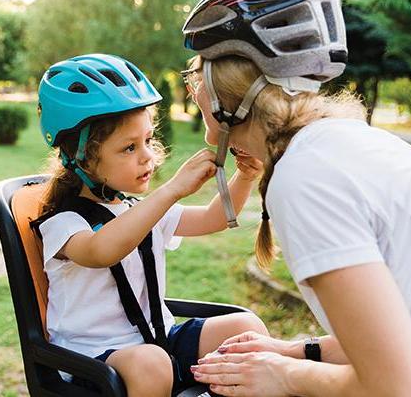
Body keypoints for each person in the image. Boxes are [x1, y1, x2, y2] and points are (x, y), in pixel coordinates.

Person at [181, 0, 411, 396]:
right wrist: (296, 351)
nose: (193, 89)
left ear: (222, 94)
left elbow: (402, 389)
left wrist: (282, 375)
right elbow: (408, 327)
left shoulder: (305, 179)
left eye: (197, 76)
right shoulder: (345, 142)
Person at [34, 53, 268, 397]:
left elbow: (213, 218)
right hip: (94, 360)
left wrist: (245, 176)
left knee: (246, 330)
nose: (147, 155)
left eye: (147, 140)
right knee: (152, 364)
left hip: (158, 340)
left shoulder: (138, 209)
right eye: (129, 147)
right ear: (81, 156)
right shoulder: (63, 224)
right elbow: (103, 250)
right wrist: (172, 190)